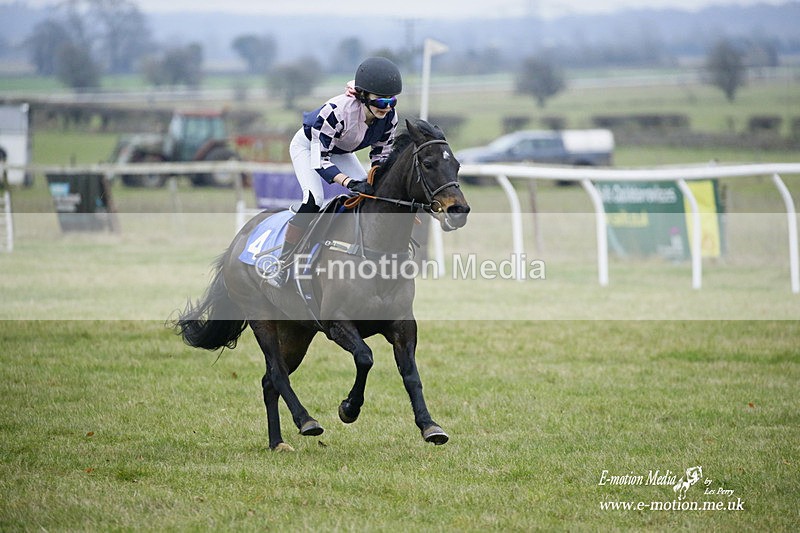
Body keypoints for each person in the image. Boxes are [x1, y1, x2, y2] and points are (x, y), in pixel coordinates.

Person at [270, 56, 402, 286]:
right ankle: (283, 263)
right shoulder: (337, 111)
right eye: (381, 102)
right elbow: (320, 161)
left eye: (392, 101)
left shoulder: (390, 118)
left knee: (369, 195)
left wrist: (379, 184)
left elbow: (381, 157)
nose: (387, 107)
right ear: (363, 95)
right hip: (309, 147)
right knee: (314, 200)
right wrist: (349, 182)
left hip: (341, 150)